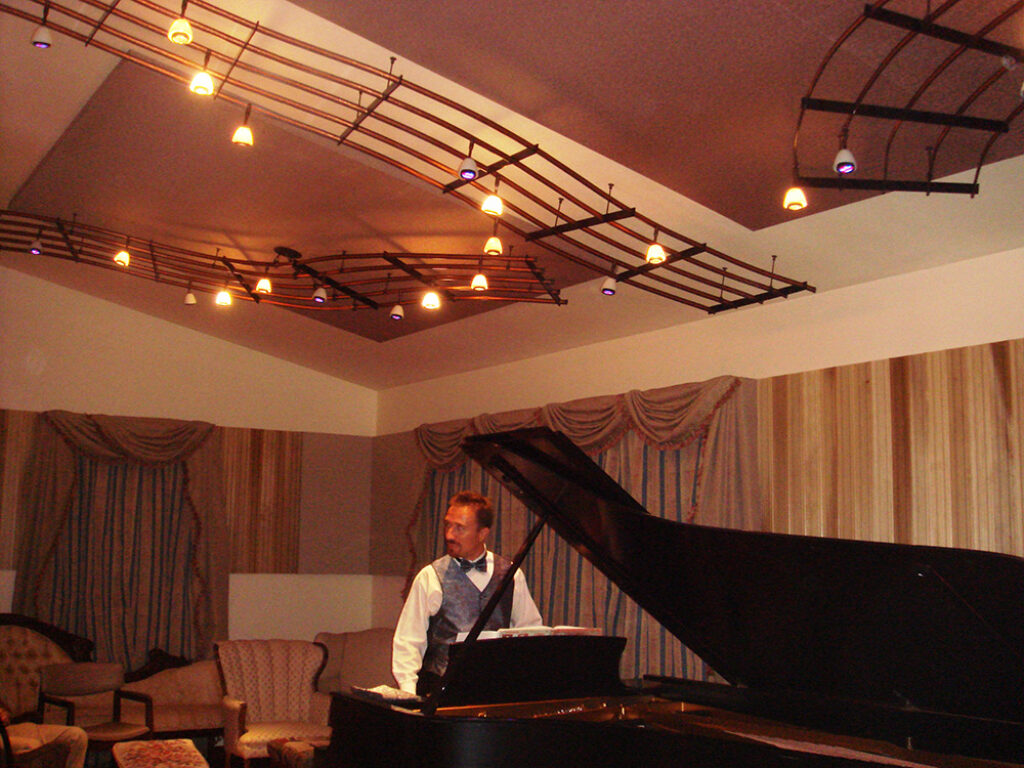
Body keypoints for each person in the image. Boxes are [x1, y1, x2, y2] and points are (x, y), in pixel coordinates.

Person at [392, 491, 543, 695]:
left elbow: (531, 632)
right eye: (448, 525)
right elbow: (409, 640)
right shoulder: (430, 576)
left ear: (482, 533)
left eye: (459, 528)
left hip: (497, 692)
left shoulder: (512, 575)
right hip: (441, 691)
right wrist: (409, 693)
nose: (449, 535)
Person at [0, 706, 88, 768]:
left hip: (11, 729)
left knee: (77, 735)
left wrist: (4, 713)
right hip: (3, 736)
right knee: (34, 746)